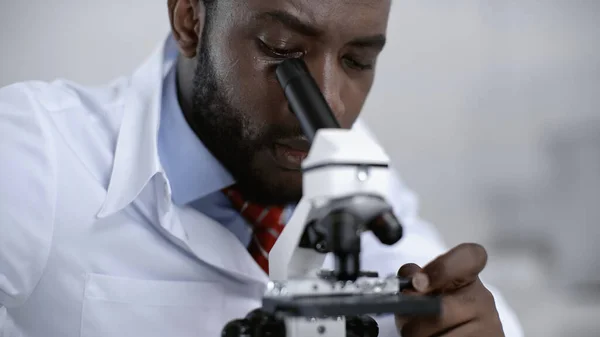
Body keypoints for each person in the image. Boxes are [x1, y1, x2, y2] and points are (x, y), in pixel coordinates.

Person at [0, 0, 524, 336]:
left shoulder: (351, 156)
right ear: (191, 19)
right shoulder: (37, 151)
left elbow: (446, 290)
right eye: (283, 51)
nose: (331, 108)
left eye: (357, 61)